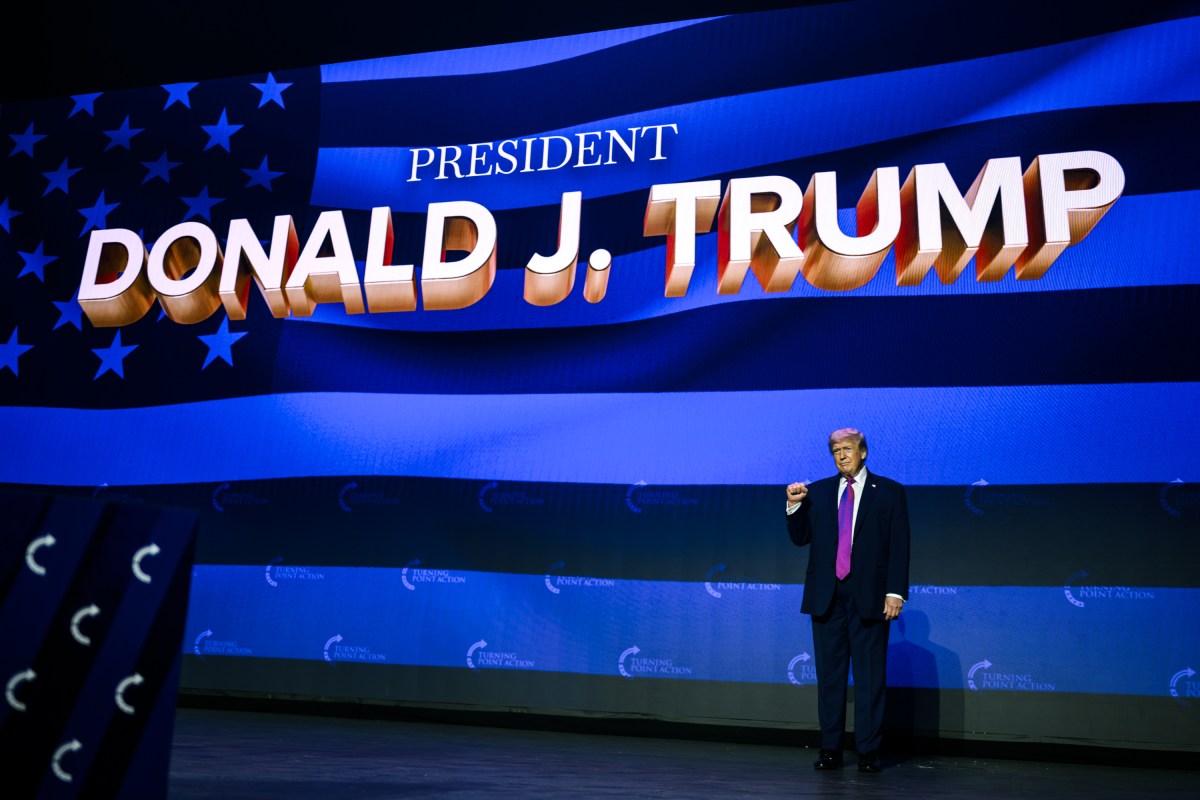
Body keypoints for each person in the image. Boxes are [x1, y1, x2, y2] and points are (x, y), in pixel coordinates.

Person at [785, 428, 910, 773]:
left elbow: (899, 545)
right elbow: (800, 539)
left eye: (848, 449)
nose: (842, 455)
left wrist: (895, 591)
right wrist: (794, 505)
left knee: (870, 677)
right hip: (827, 596)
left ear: (863, 452)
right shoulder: (820, 492)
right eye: (836, 450)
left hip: (870, 595)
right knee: (830, 677)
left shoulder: (889, 492)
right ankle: (831, 749)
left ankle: (868, 752)